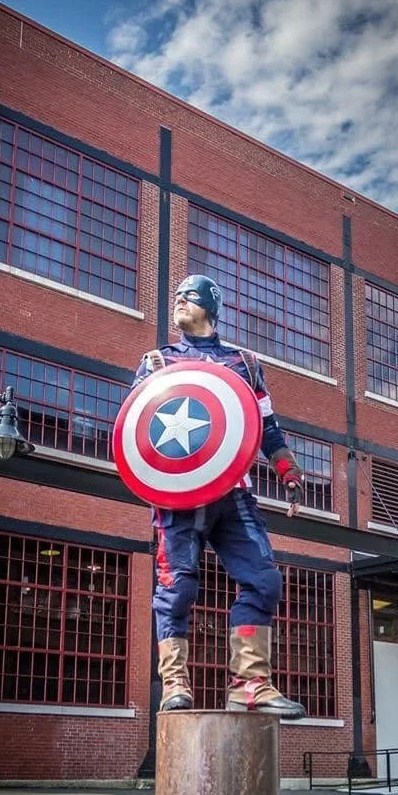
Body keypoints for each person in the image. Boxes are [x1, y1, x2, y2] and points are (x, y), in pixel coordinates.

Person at [133, 274, 306, 719]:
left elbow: (266, 425)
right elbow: (137, 426)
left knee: (265, 579)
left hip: (233, 491)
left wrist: (286, 468)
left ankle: (250, 684)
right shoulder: (155, 361)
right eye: (175, 298)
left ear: (210, 305)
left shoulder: (245, 363)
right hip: (177, 496)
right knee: (178, 587)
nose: (177, 303)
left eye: (187, 297)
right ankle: (174, 683)